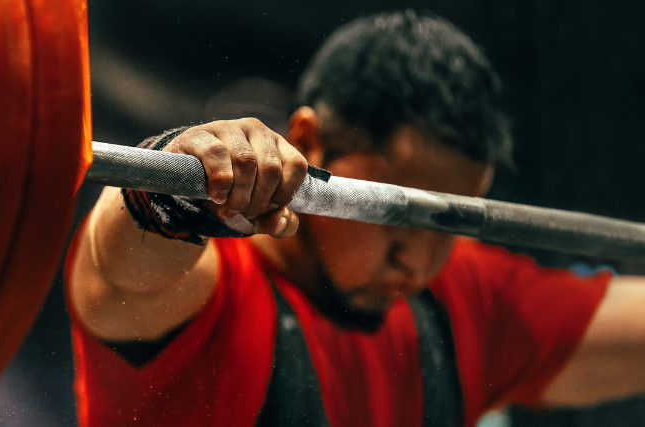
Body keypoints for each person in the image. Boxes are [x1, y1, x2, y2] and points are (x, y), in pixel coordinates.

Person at [65, 11, 645, 427]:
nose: (416, 260)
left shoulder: (466, 300)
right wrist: (178, 180)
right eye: (396, 214)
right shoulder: (206, 298)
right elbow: (120, 263)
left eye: (445, 226)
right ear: (308, 141)